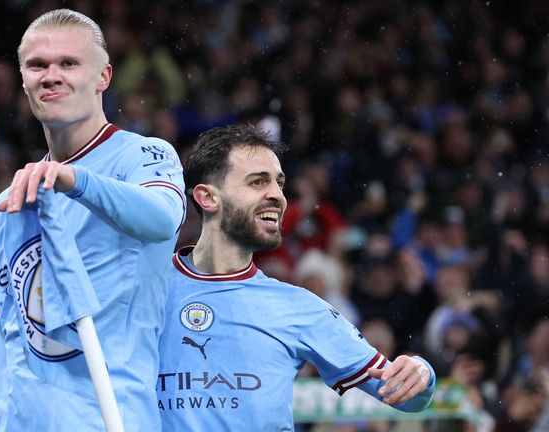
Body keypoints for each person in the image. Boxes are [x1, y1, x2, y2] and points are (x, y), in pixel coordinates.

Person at [0, 8, 185, 432]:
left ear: (103, 77)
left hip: (106, 419)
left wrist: (73, 179)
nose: (51, 75)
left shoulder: (144, 155)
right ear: (23, 80)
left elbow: (162, 220)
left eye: (68, 63)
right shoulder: (9, 203)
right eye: (37, 65)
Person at [156, 124, 435, 430]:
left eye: (279, 184)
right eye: (257, 182)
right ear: (208, 198)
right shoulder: (143, 288)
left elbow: (406, 397)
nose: (277, 196)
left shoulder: (299, 306)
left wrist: (421, 373)